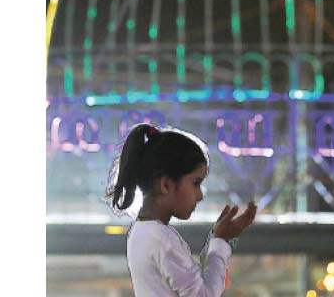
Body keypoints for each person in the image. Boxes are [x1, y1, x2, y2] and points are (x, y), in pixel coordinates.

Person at [105, 122, 257, 297]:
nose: (200, 195)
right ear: (166, 185)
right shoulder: (163, 239)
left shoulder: (139, 231)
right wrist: (221, 241)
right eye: (196, 183)